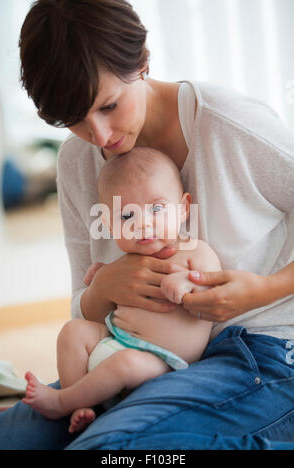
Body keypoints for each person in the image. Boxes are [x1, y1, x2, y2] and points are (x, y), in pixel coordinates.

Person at [0, 0, 294, 450]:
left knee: (111, 450)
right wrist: (104, 288)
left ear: (143, 62)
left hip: (261, 351)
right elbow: (84, 308)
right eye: (73, 120)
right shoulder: (76, 162)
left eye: (109, 105)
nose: (99, 136)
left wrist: (261, 290)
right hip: (137, 354)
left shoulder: (230, 126)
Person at [22, 147, 220, 434]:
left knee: (124, 363)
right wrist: (100, 277)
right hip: (115, 339)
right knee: (72, 331)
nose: (144, 223)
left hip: (161, 362)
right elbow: (103, 301)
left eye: (156, 208)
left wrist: (186, 285)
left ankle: (63, 401)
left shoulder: (195, 252)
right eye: (127, 216)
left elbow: (213, 290)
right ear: (109, 225)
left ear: (183, 208)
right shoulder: (126, 261)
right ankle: (82, 403)